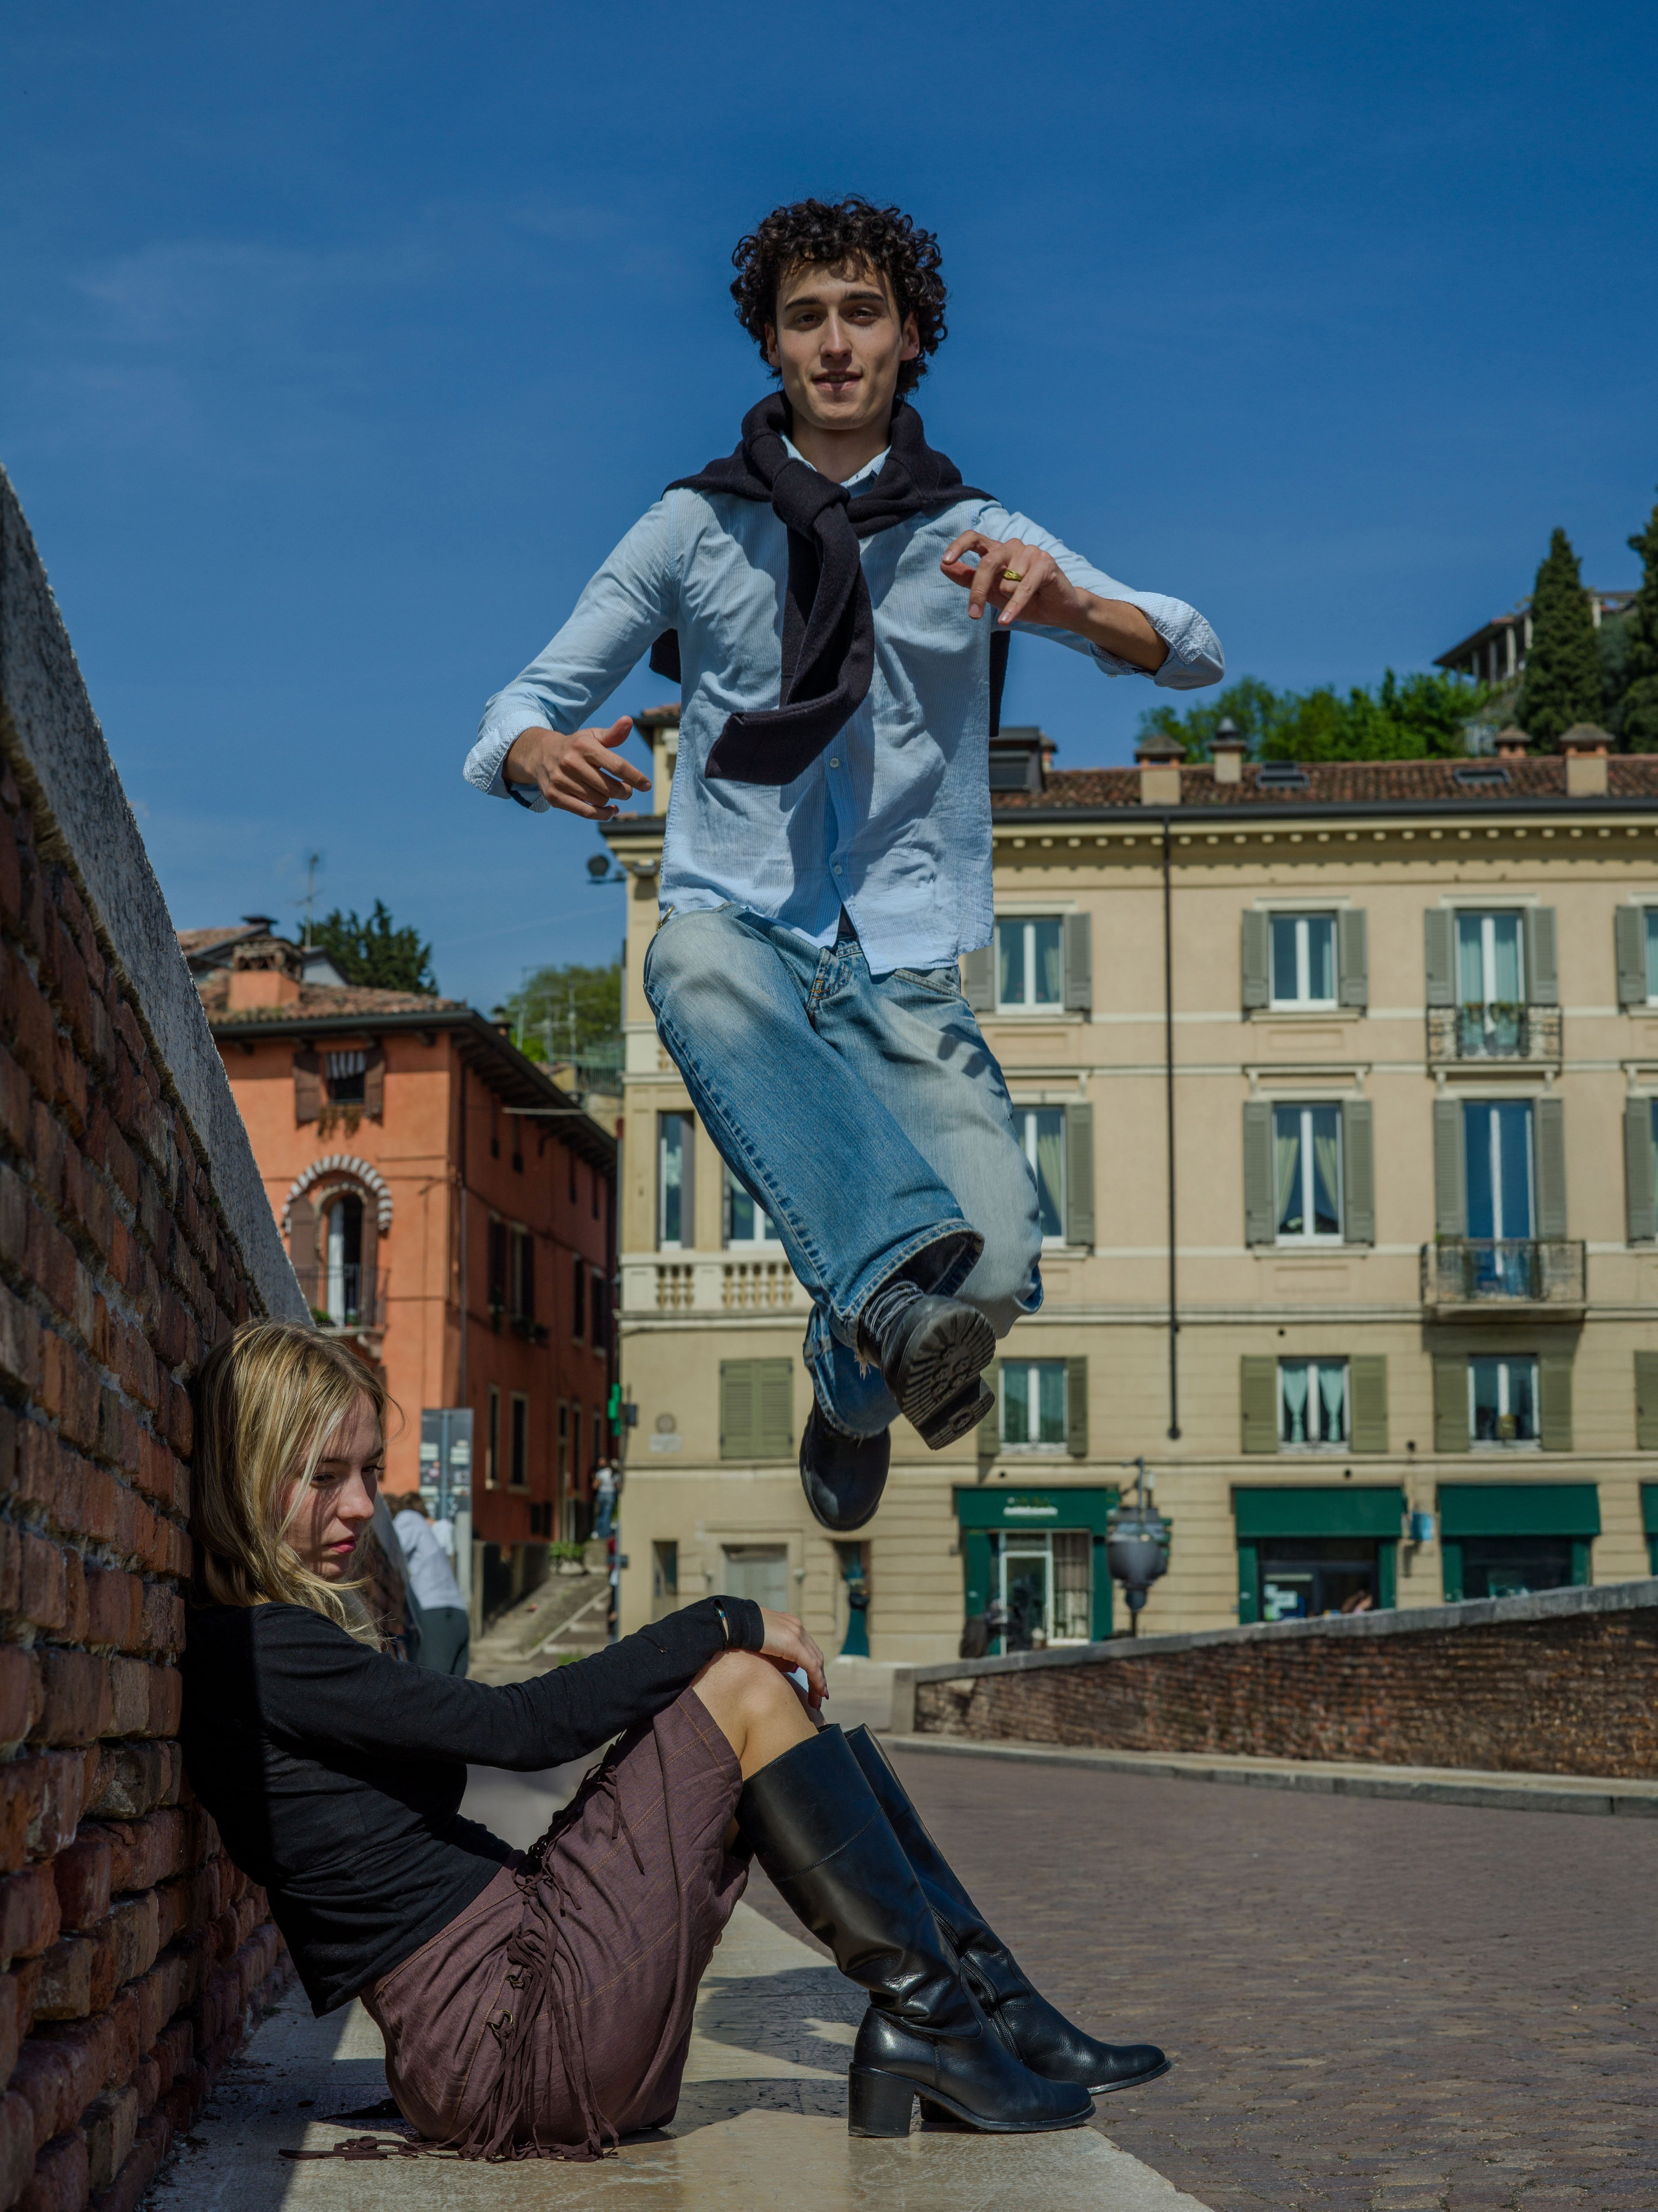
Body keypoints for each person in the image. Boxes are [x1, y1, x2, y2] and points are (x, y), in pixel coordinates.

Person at [466, 198, 1222, 1538]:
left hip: (901, 961)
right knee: (687, 956)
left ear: (909, 337)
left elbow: (1188, 642)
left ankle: (846, 1370)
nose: (832, 345)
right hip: (744, 930)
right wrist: (533, 753)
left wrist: (1066, 606)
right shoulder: (692, 527)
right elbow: (526, 692)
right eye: (804, 317)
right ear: (768, 342)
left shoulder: (971, 531)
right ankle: (879, 1304)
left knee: (985, 1274)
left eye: (859, 314)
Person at [180, 1321, 1166, 2158]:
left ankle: (983, 2010)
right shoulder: (267, 1654)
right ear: (250, 1471)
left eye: (366, 1474)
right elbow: (519, 1730)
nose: (359, 1507)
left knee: (755, 1698)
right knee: (739, 1680)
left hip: (514, 2019)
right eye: (324, 1476)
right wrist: (721, 1619)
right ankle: (953, 2022)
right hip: (517, 2046)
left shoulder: (266, 1646)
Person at [388, 1491, 471, 1676]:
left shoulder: (409, 1518)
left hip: (433, 1614)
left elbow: (391, 1548)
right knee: (456, 1693)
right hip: (458, 1614)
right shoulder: (429, 1533)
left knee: (431, 1691)